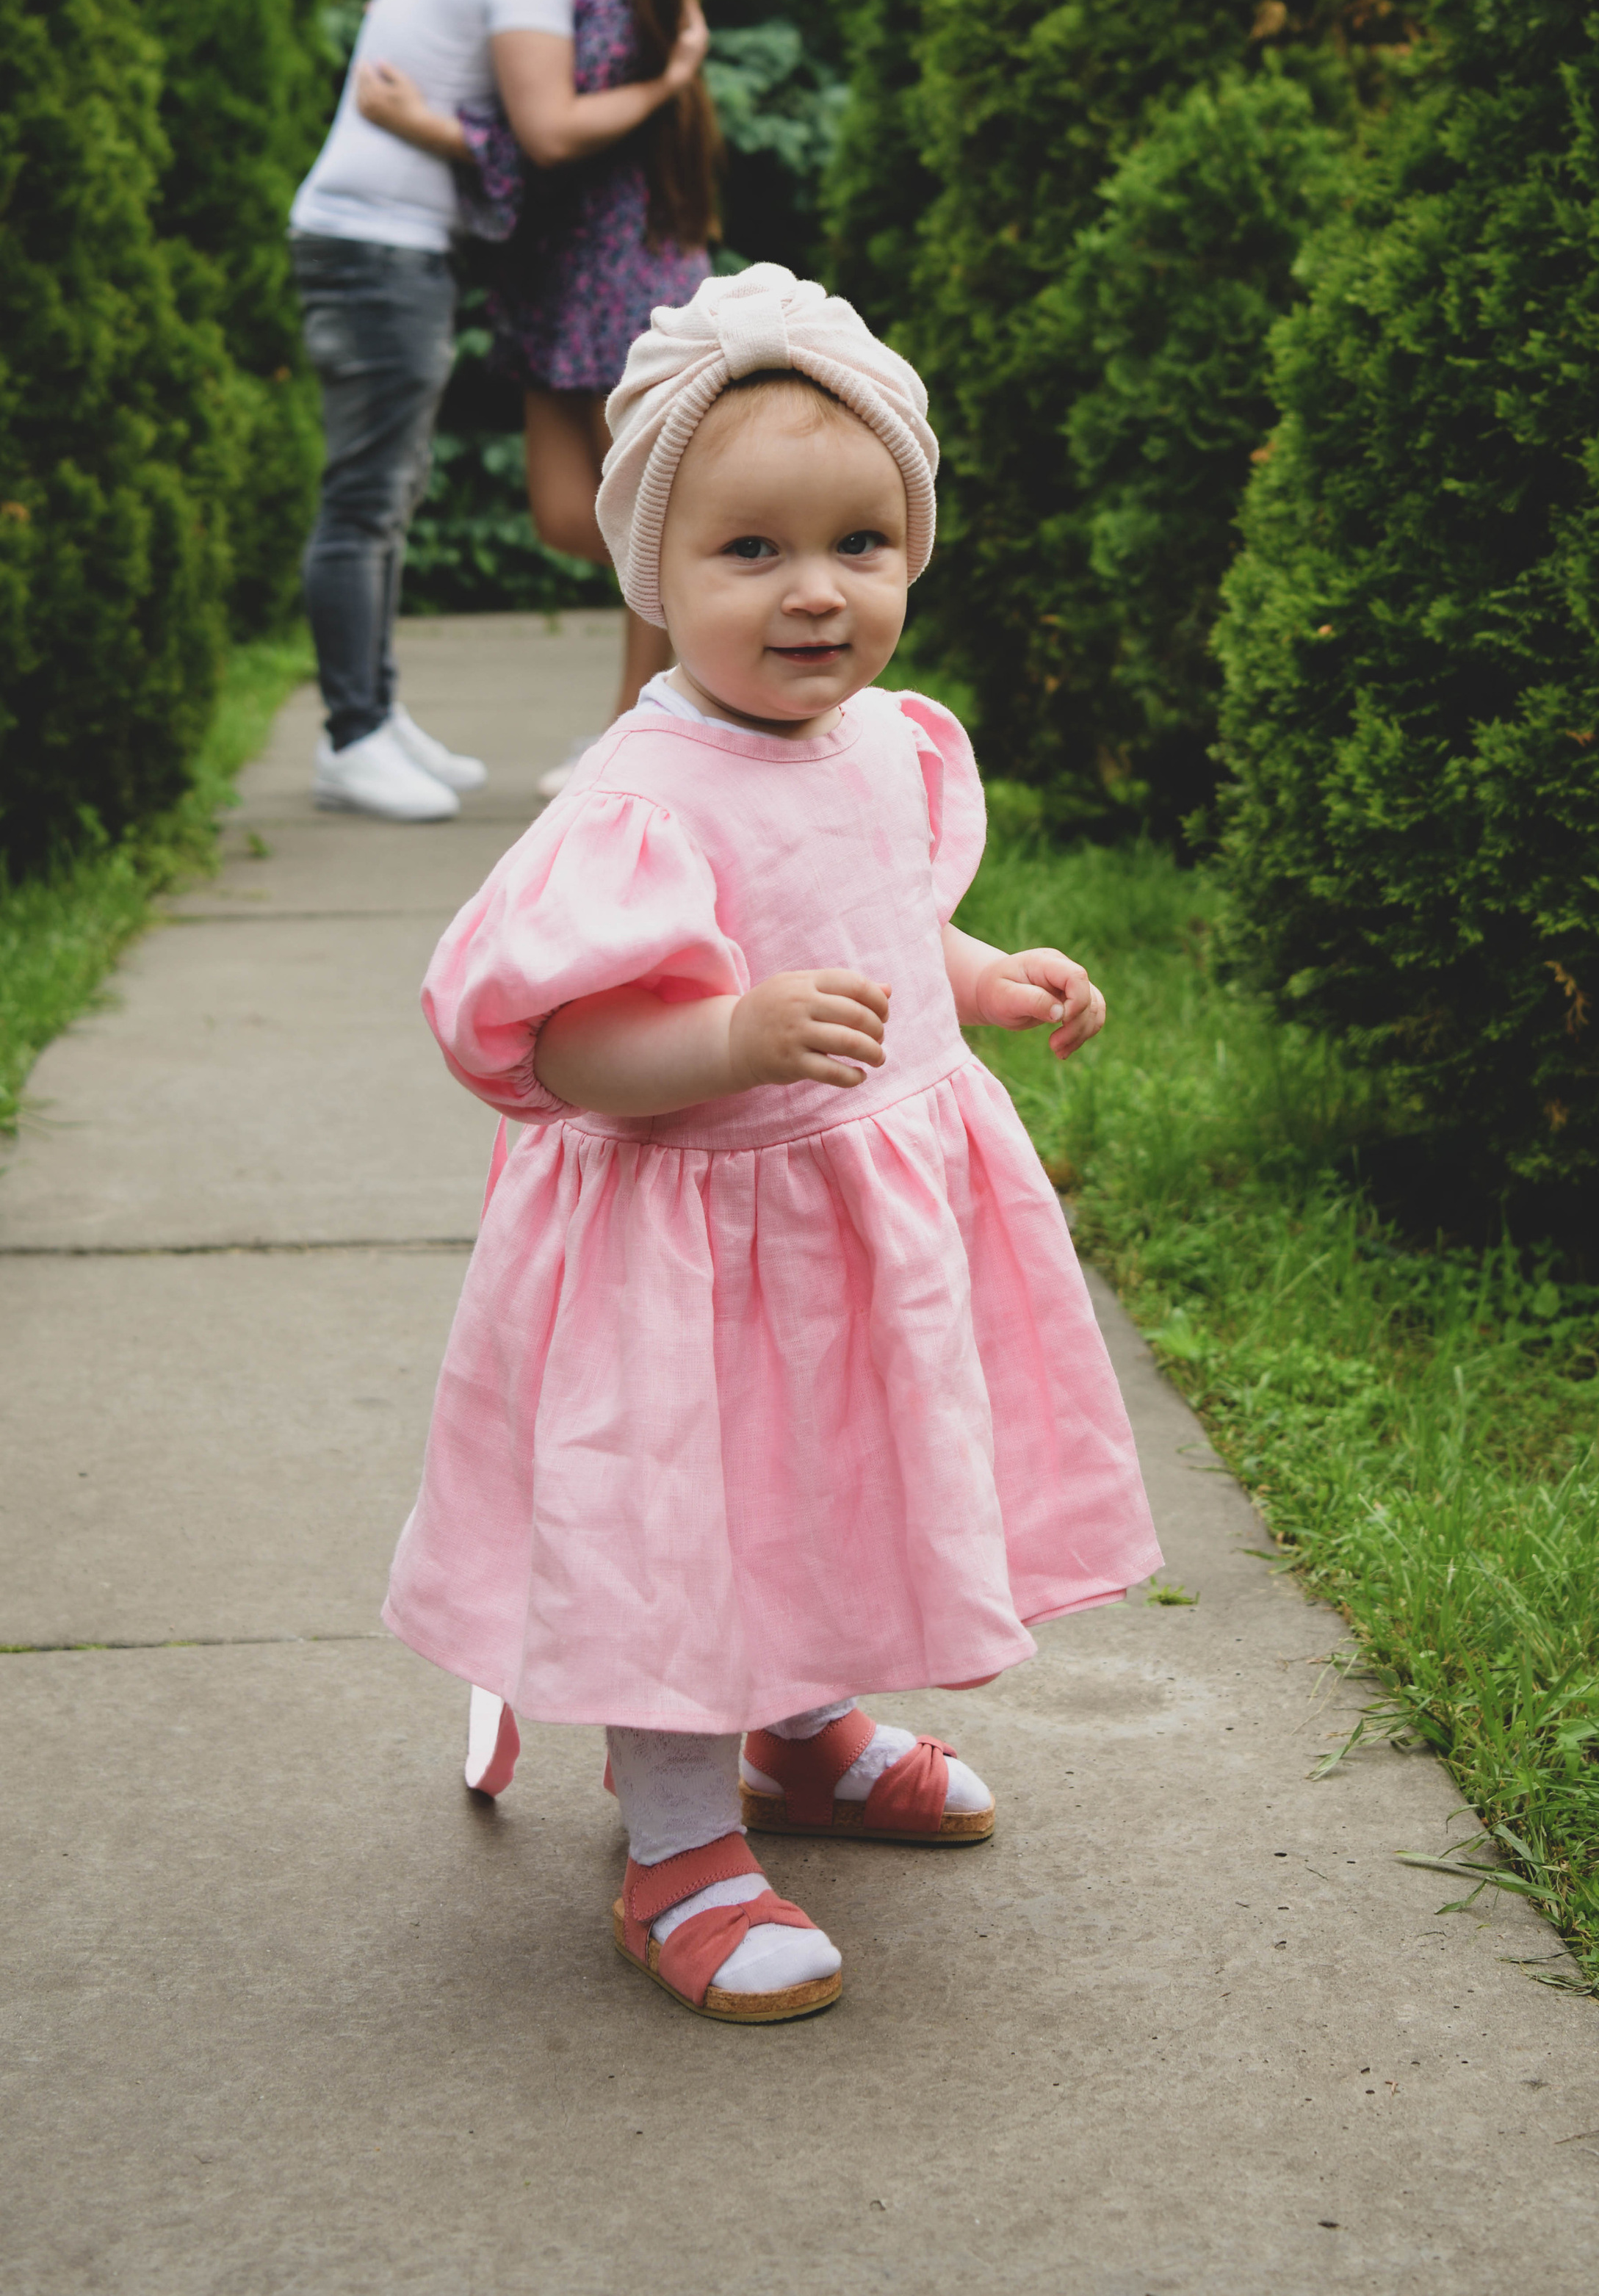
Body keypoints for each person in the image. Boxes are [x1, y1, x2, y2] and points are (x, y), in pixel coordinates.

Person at [383, 264, 1161, 2022]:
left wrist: (981, 974)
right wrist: (727, 1033)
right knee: (685, 1523)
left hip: (851, 1222)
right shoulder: (639, 804)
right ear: (653, 566)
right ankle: (670, 1844)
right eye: (752, 554)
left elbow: (884, 911)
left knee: (827, 1484)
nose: (816, 593)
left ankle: (796, 1736)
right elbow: (561, 1045)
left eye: (860, 543)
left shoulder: (886, 743)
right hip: (688, 1243)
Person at [289, 0, 706, 821]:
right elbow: (520, 88)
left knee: (644, 516)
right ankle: (658, 708)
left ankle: (640, 730)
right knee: (581, 514)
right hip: (549, 281)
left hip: (617, 274)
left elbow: (551, 140)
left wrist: (438, 126)